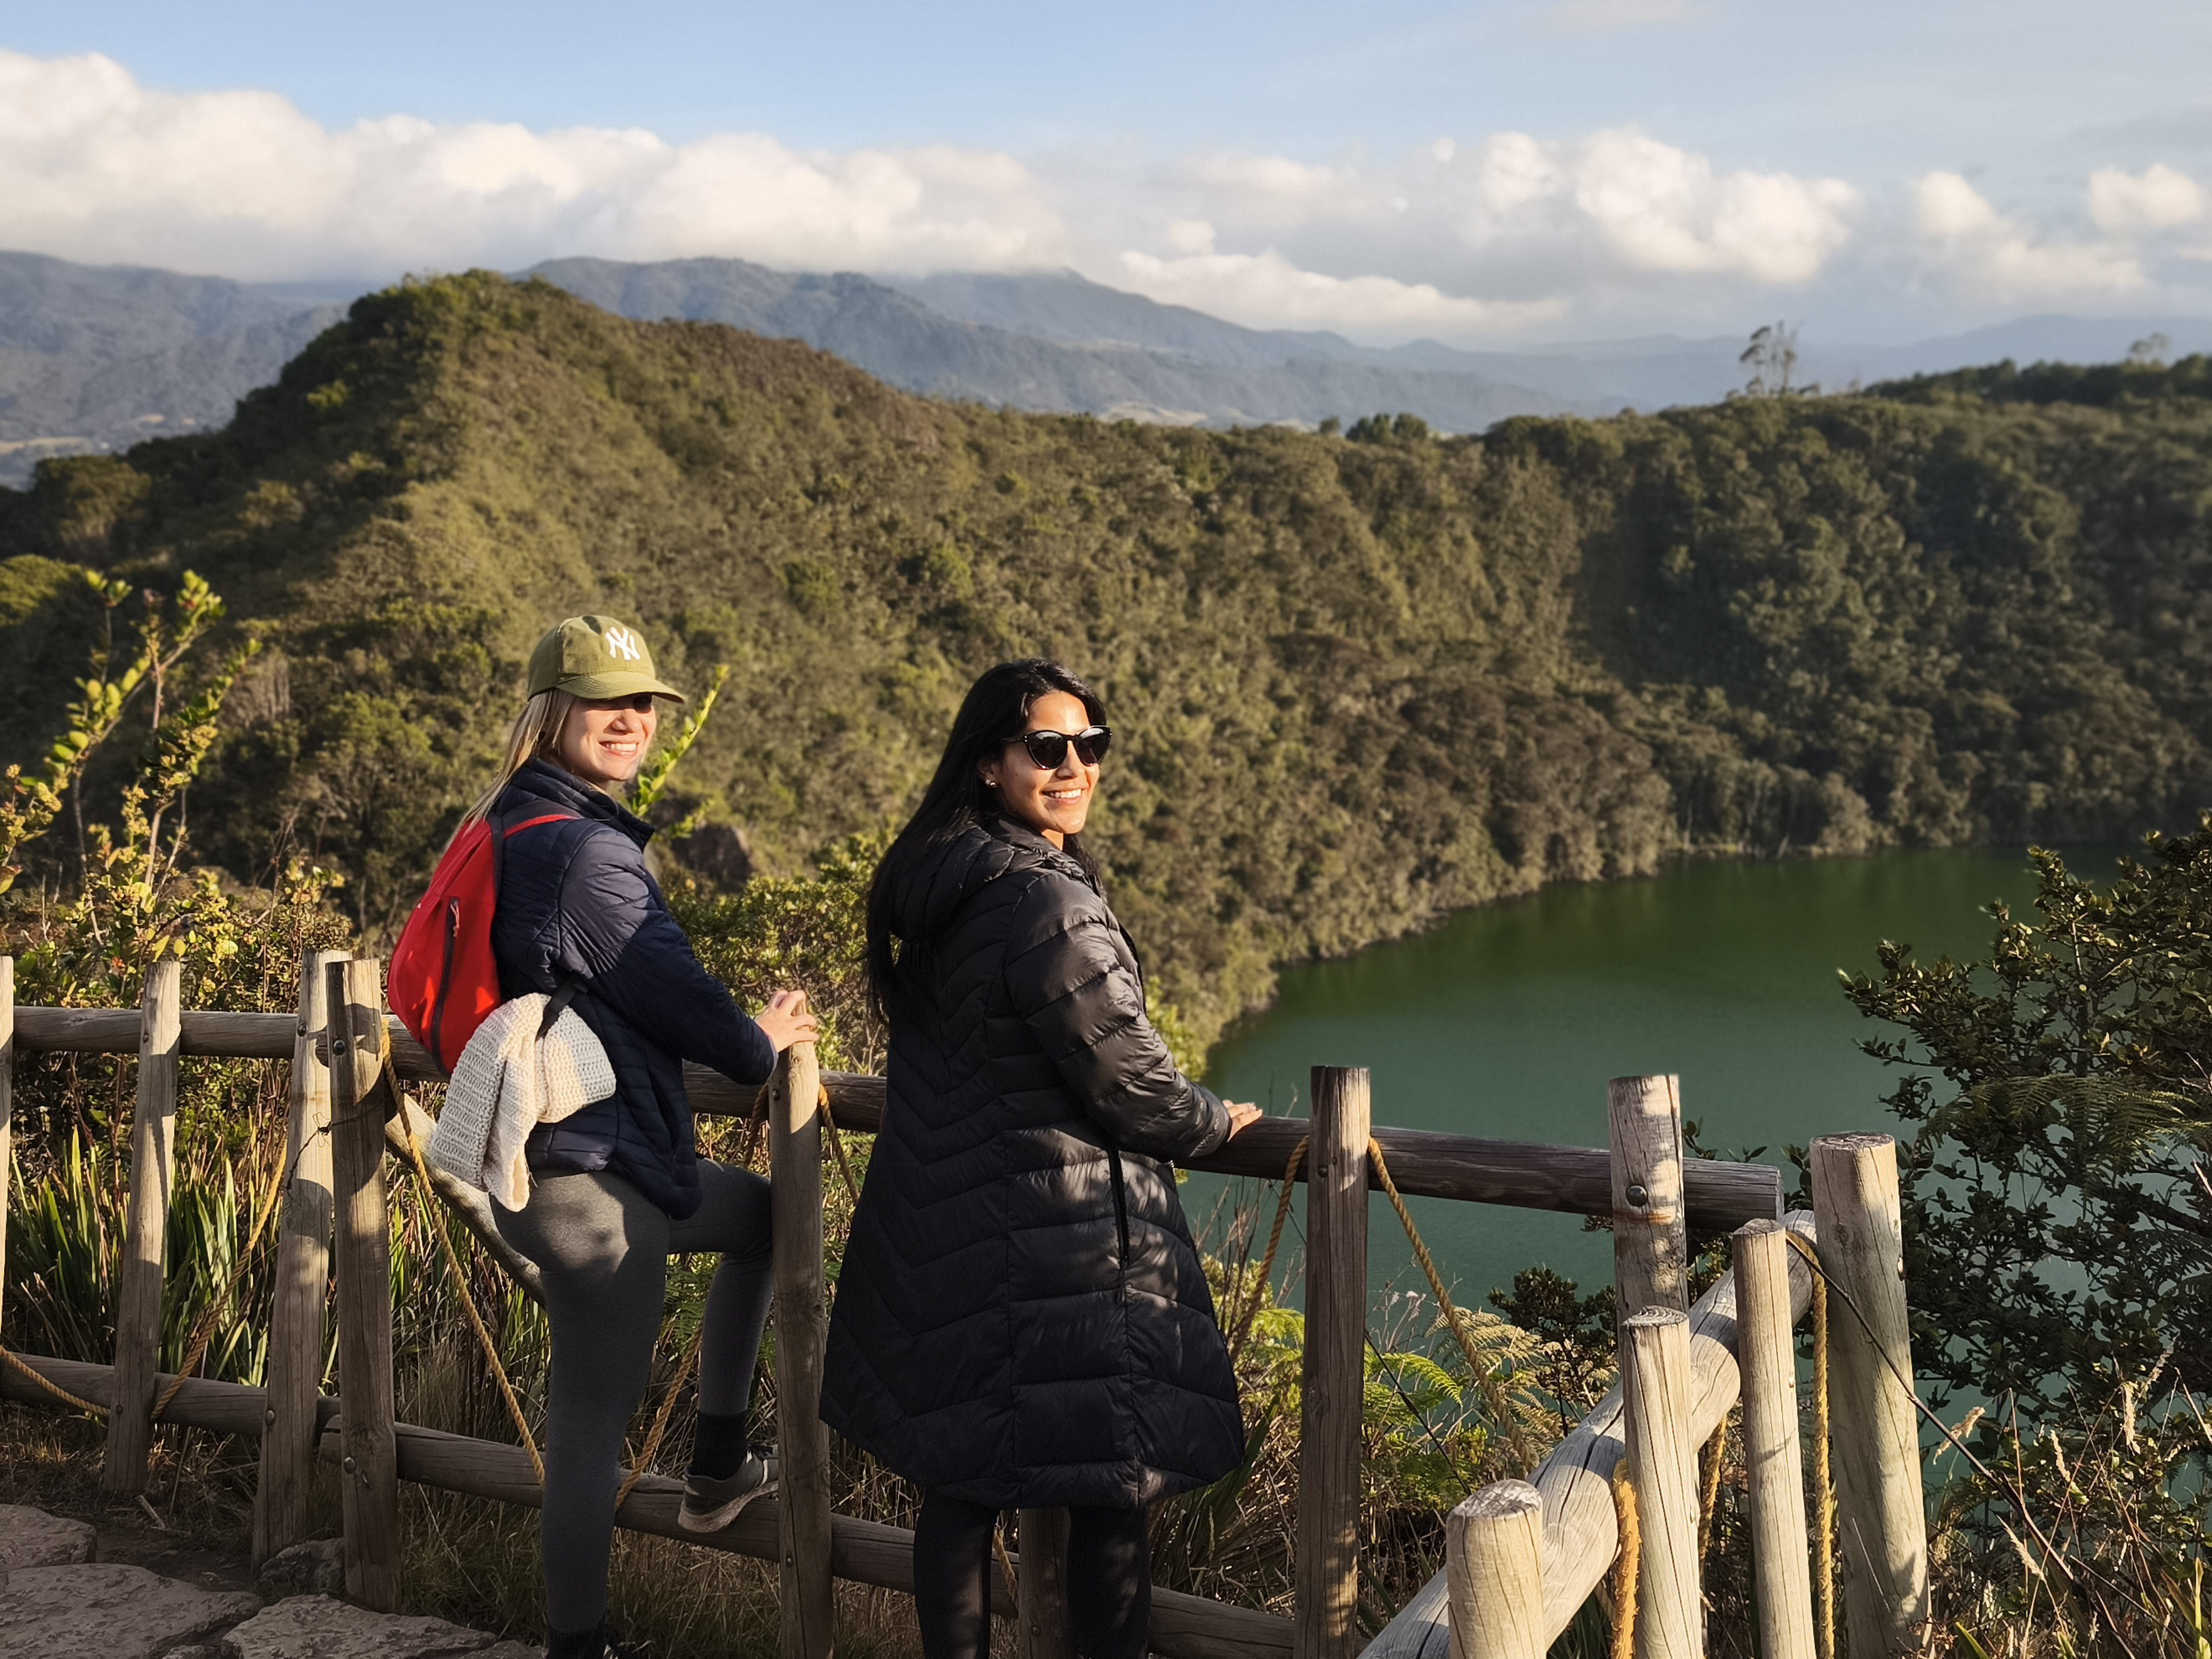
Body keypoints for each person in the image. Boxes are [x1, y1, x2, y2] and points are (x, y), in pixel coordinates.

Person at [823, 658, 1263, 1659]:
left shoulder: (940, 879)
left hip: (948, 1227)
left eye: (1090, 747)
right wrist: (1212, 1122)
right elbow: (1132, 1080)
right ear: (991, 764)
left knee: (964, 1483)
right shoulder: (1043, 902)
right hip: (1056, 1243)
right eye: (1047, 749)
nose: (1075, 767)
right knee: (1115, 1487)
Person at [474, 615, 818, 1659]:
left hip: (567, 1155)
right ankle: (579, 1645)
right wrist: (757, 1041)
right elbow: (683, 999)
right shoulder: (588, 857)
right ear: (551, 715)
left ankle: (718, 1462)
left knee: (758, 1220)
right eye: (604, 704)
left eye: (643, 706)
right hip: (588, 1177)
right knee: (587, 1423)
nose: (630, 722)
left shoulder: (509, 823)